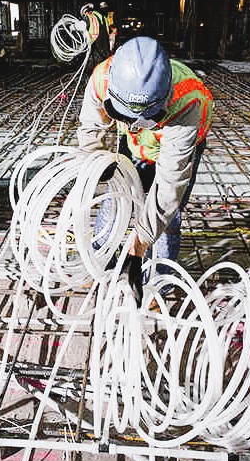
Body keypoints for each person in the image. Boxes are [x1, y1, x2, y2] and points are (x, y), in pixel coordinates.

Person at [77, 36, 213, 301]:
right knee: (116, 199)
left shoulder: (187, 99)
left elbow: (169, 184)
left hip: (178, 148)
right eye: (125, 117)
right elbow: (91, 127)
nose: (134, 124)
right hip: (137, 146)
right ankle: (102, 265)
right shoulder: (102, 78)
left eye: (145, 119)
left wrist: (137, 248)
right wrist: (96, 159)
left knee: (168, 216)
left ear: (163, 101)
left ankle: (158, 284)